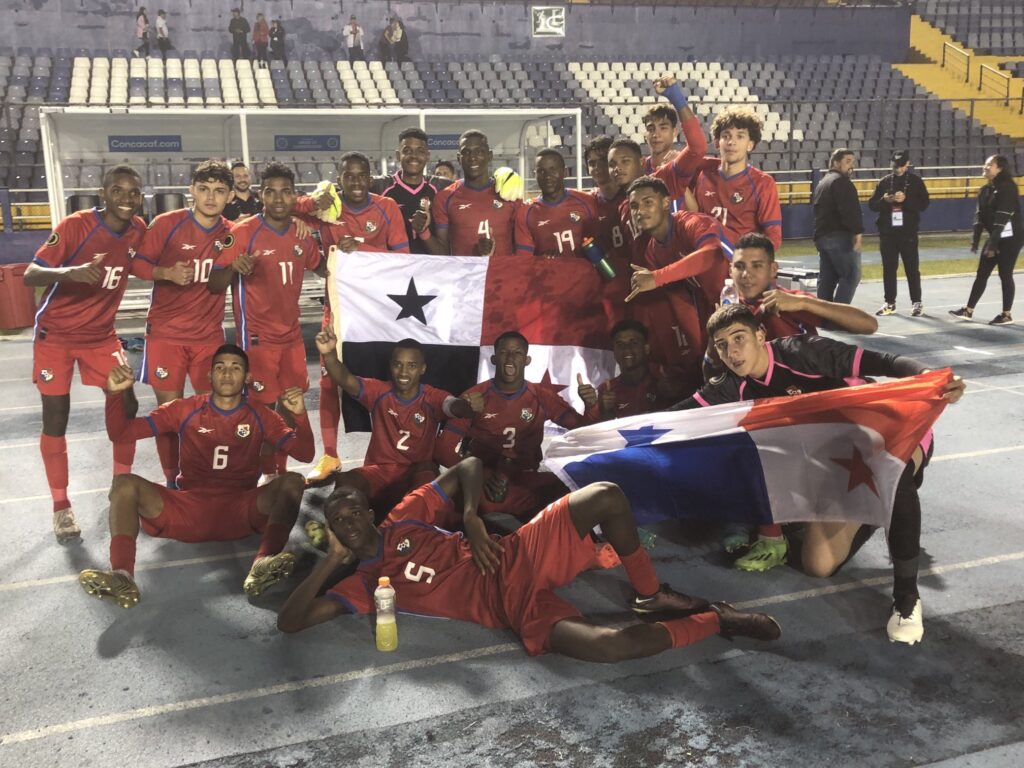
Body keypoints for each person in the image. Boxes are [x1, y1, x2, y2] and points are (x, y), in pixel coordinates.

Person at [277, 457, 781, 660]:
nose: (349, 522)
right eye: (338, 520)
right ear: (334, 531)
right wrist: (330, 562)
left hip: (518, 551)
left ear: (369, 513)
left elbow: (469, 465)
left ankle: (650, 595)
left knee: (605, 495)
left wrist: (472, 517)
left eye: (354, 512)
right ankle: (716, 620)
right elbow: (290, 622)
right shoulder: (361, 585)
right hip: (507, 605)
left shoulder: (403, 517)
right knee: (608, 648)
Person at [670, 303, 966, 644]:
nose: (732, 352)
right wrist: (617, 435)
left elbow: (884, 361)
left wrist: (932, 378)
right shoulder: (731, 384)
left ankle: (907, 598)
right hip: (838, 461)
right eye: (722, 345)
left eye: (739, 338)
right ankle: (874, 510)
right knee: (818, 564)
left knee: (890, 473)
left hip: (886, 431)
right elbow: (677, 418)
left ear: (760, 335)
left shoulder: (801, 352)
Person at [78, 345, 314, 608]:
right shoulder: (183, 409)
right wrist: (114, 395)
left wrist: (300, 416)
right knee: (124, 484)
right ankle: (122, 575)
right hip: (188, 509)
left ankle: (263, 562)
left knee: (293, 481)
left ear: (247, 377)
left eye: (235, 368)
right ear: (210, 376)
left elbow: (305, 454)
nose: (227, 374)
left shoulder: (262, 415)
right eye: (220, 367)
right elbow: (121, 434)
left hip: (240, 509)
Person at [703, 231, 878, 564]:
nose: (747, 274)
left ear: (773, 269)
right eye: (740, 266)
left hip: (822, 412)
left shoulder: (788, 302)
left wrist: (804, 303)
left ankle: (777, 526)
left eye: (757, 266)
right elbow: (713, 375)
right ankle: (759, 519)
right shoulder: (729, 310)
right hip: (775, 412)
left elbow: (868, 325)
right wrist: (714, 348)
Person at [23, 165, 147, 543]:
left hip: (100, 337)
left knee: (127, 405)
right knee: (56, 417)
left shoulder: (139, 230)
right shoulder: (76, 226)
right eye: (118, 191)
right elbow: (30, 274)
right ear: (103, 194)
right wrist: (69, 272)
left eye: (133, 192)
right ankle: (61, 506)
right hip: (56, 336)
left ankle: (120, 486)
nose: (126, 198)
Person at [295, 150, 412, 484]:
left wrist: (363, 252)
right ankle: (331, 455)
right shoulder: (328, 210)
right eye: (349, 176)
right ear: (340, 179)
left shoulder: (387, 208)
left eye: (362, 175)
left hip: (381, 310)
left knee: (390, 378)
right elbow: (286, 206)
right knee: (330, 379)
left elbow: (404, 259)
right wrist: (310, 204)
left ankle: (392, 450)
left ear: (371, 177)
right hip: (339, 309)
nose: (357, 182)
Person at [208, 163, 323, 482]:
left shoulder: (301, 234)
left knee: (290, 407)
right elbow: (214, 284)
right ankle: (262, 474)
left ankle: (279, 473)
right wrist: (233, 267)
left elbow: (323, 267)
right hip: (258, 339)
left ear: (294, 196)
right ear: (261, 195)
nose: (278, 198)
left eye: (286, 192)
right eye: (271, 192)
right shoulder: (242, 233)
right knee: (262, 411)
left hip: (292, 338)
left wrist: (350, 251)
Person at [131, 160, 234, 487]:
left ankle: (208, 476)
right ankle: (172, 480)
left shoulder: (233, 233)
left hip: (208, 337)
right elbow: (137, 265)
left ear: (230, 195)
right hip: (167, 336)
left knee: (214, 413)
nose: (210, 197)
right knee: (170, 414)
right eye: (204, 189)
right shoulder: (167, 223)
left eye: (219, 191)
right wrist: (165, 273)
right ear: (191, 190)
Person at [314, 328, 480, 512]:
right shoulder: (379, 392)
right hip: (379, 471)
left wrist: (466, 406)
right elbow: (346, 380)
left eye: (411, 366)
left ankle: (418, 524)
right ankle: (348, 527)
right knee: (346, 482)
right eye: (398, 365)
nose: (403, 372)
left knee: (428, 475)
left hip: (415, 472)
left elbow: (451, 405)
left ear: (422, 368)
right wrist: (329, 355)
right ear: (390, 366)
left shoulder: (432, 397)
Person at [434, 331, 588, 520]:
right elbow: (444, 449)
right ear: (493, 358)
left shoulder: (541, 396)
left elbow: (583, 429)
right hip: (486, 479)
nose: (510, 358)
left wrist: (592, 407)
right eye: (504, 352)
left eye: (517, 353)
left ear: (527, 360)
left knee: (573, 491)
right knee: (477, 502)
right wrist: (479, 474)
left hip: (525, 477)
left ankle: (529, 523)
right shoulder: (475, 397)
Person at [621, 175, 728, 395]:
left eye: (648, 202)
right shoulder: (652, 250)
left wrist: (656, 277)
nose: (640, 211)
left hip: (741, 301)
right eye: (634, 206)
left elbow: (711, 254)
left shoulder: (692, 223)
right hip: (710, 313)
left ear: (665, 203)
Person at [689, 107, 783, 254]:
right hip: (705, 258)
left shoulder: (763, 183)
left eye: (740, 136)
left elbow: (773, 237)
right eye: (726, 136)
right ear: (717, 142)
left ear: (750, 144)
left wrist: (750, 260)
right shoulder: (703, 174)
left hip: (740, 260)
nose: (731, 142)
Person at [423, 129, 522, 257]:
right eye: (466, 152)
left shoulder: (509, 193)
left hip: (502, 270)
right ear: (459, 158)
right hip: (463, 270)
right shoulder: (445, 197)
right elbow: (443, 254)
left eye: (479, 152)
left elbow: (523, 246)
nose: (472, 157)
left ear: (490, 155)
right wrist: (423, 232)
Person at [949, 154, 1021, 326]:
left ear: (1000, 168)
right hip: (996, 236)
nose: (985, 167)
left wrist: (993, 244)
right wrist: (976, 240)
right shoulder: (986, 189)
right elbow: (979, 217)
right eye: (986, 164)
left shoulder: (1008, 187)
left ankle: (1006, 314)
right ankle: (968, 310)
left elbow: (1002, 218)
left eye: (990, 165)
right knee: (982, 273)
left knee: (1005, 273)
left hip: (1011, 238)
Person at [577, 320, 682, 422]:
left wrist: (672, 397)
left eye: (634, 343)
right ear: (614, 352)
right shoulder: (607, 389)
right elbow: (596, 430)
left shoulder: (665, 376)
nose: (626, 349)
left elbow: (686, 414)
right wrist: (594, 408)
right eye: (620, 344)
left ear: (646, 349)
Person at [868, 150, 931, 317]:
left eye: (901, 166)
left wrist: (906, 200)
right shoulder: (884, 182)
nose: (898, 169)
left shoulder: (916, 182)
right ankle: (890, 302)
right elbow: (872, 204)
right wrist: (884, 200)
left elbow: (924, 204)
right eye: (895, 166)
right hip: (887, 232)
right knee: (889, 268)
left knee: (912, 268)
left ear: (907, 164)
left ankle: (916, 302)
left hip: (908, 232)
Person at [515, 149, 598, 258]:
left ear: (565, 172)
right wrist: (542, 261)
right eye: (541, 171)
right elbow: (524, 260)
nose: (547, 176)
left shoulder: (587, 202)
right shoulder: (525, 212)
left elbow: (601, 246)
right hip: (546, 270)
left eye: (553, 170)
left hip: (584, 269)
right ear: (535, 175)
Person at [813, 148, 864, 305]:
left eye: (852, 162)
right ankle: (838, 315)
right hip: (839, 236)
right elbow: (849, 210)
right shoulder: (841, 182)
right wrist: (857, 232)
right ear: (835, 162)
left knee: (827, 279)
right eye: (848, 161)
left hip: (822, 236)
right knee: (851, 275)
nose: (851, 166)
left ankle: (822, 315)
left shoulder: (823, 182)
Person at [641, 102, 680, 174]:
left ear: (674, 132)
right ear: (645, 134)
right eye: (651, 129)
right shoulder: (639, 169)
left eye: (663, 128)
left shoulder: (684, 165)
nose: (656, 134)